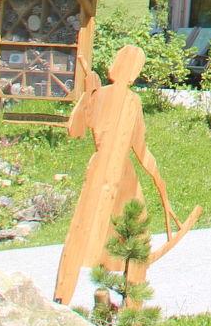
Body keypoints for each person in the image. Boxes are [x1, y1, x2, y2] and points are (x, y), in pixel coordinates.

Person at [52, 43, 197, 304]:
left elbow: (75, 130)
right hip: (118, 176)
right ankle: (132, 305)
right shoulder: (125, 100)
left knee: (83, 230)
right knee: (131, 235)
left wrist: (160, 186)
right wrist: (88, 94)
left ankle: (63, 297)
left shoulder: (104, 95)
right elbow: (141, 151)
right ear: (134, 73)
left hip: (101, 174)